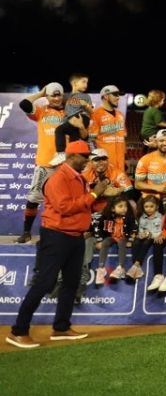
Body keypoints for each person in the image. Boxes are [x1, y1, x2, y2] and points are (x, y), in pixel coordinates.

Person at [6, 141, 109, 349]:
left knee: (71, 283)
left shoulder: (79, 178)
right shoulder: (58, 178)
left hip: (76, 236)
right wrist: (95, 193)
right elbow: (65, 207)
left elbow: (84, 204)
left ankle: (61, 327)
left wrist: (100, 196)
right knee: (44, 283)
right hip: (56, 236)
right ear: (71, 157)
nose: (87, 161)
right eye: (84, 156)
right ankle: (19, 330)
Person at [15, 82, 65, 244]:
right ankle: (27, 232)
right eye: (53, 95)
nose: (56, 98)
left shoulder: (70, 112)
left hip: (65, 165)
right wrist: (41, 94)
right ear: (47, 97)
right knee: (33, 199)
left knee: (61, 202)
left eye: (59, 95)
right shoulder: (42, 111)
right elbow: (24, 104)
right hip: (45, 163)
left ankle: (57, 234)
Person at [49, 73, 93, 166]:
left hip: (81, 117)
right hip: (71, 120)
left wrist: (84, 104)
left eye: (87, 82)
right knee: (73, 143)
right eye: (83, 82)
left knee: (59, 129)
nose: (86, 85)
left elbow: (91, 110)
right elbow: (55, 100)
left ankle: (61, 153)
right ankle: (76, 161)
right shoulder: (66, 97)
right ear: (74, 83)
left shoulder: (85, 96)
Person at [93, 196, 136, 285]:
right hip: (112, 237)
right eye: (120, 206)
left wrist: (131, 240)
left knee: (121, 242)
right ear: (113, 208)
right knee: (105, 242)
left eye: (125, 206)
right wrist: (99, 240)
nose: (124, 208)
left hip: (123, 237)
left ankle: (121, 267)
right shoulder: (106, 217)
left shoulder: (129, 217)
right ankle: (101, 269)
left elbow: (134, 229)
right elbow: (99, 228)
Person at [88, 84, 127, 175]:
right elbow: (90, 140)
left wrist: (125, 158)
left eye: (118, 95)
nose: (118, 98)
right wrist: (97, 161)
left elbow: (123, 138)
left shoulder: (120, 114)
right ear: (105, 96)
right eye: (115, 95)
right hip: (104, 165)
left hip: (120, 164)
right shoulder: (96, 114)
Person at [127, 195, 163, 281]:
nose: (149, 209)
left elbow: (160, 231)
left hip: (153, 238)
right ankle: (136, 267)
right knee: (136, 242)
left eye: (151, 206)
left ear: (156, 207)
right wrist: (141, 234)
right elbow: (140, 230)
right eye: (146, 207)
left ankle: (136, 264)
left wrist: (150, 234)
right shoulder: (142, 218)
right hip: (144, 237)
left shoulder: (160, 217)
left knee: (146, 242)